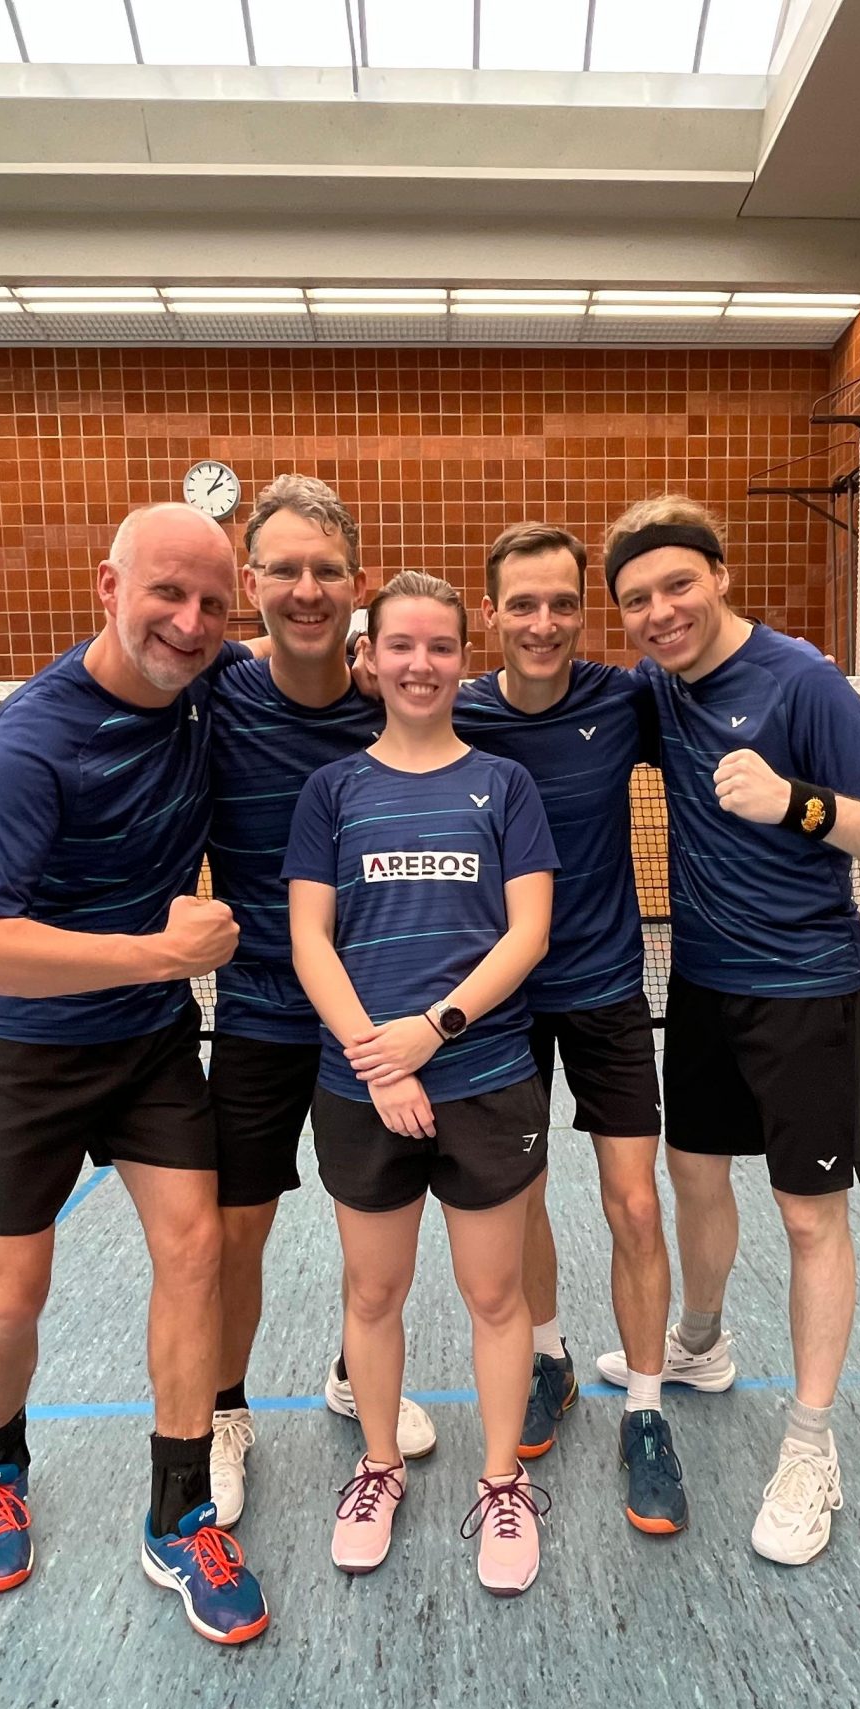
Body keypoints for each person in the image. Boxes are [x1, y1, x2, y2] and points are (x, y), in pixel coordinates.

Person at [0, 501, 269, 1645]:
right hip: (20, 1052)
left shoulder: (213, 686)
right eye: (167, 594)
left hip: (148, 1045)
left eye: (212, 603)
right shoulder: (37, 738)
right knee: (9, 1296)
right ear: (108, 589)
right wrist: (157, 954)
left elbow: (302, 655)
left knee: (196, 1250)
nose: (190, 622)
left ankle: (179, 1515)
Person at [600, 495, 860, 1566]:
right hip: (703, 986)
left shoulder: (802, 681)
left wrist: (802, 805)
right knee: (693, 1178)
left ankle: (809, 1445)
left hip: (805, 991)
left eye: (678, 584)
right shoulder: (656, 691)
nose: (661, 612)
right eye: (636, 599)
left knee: (809, 1218)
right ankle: (701, 1345)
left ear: (719, 575)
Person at [285, 571, 559, 1594]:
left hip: (485, 1078)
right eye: (399, 645)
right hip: (360, 1088)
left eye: (440, 646)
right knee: (373, 1291)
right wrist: (377, 1058)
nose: (419, 664)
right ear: (367, 657)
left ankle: (502, 1483)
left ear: (462, 659)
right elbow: (310, 940)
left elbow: (527, 933)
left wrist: (431, 1033)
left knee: (495, 1295)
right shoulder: (333, 792)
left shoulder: (505, 786)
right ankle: (378, 1468)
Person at [203, 475, 437, 1527]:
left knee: (374, 1228)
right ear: (250, 580)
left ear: (357, 584)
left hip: (372, 1025)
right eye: (285, 570)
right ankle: (223, 1410)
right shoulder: (214, 693)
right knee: (235, 1231)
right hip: (259, 1012)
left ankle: (355, 1372)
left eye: (327, 571)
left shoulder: (392, 703)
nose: (307, 590)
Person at [452, 522, 685, 1535]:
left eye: (561, 604)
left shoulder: (623, 700)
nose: (543, 623)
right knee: (523, 1198)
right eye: (523, 604)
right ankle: (549, 1357)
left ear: (583, 612)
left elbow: (720, 687)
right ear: (490, 613)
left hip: (605, 990)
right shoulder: (456, 710)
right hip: (501, 1000)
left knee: (634, 1204)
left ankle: (646, 1410)